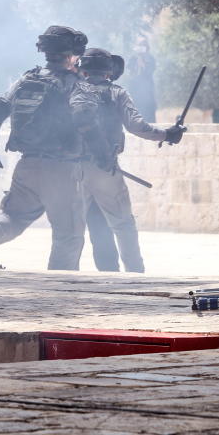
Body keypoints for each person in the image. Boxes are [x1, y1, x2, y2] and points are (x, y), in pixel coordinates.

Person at [0, 25, 89, 271]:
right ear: (72, 53)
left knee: (13, 217)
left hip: (27, 164)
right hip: (62, 168)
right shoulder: (75, 84)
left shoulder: (27, 79)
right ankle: (59, 289)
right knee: (68, 233)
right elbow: (86, 120)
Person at [72, 48, 185, 273]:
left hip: (72, 169)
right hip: (105, 169)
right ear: (108, 70)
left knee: (75, 228)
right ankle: (135, 273)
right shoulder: (116, 92)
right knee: (123, 225)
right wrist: (167, 134)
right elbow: (136, 126)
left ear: (83, 69)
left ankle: (69, 275)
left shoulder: (71, 91)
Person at [124, 39, 157, 121]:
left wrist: (143, 65)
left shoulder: (150, 58)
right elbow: (128, 69)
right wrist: (135, 64)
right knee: (135, 105)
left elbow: (150, 71)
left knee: (148, 106)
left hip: (146, 87)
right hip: (135, 87)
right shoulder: (133, 57)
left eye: (143, 46)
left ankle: (150, 124)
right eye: (139, 45)